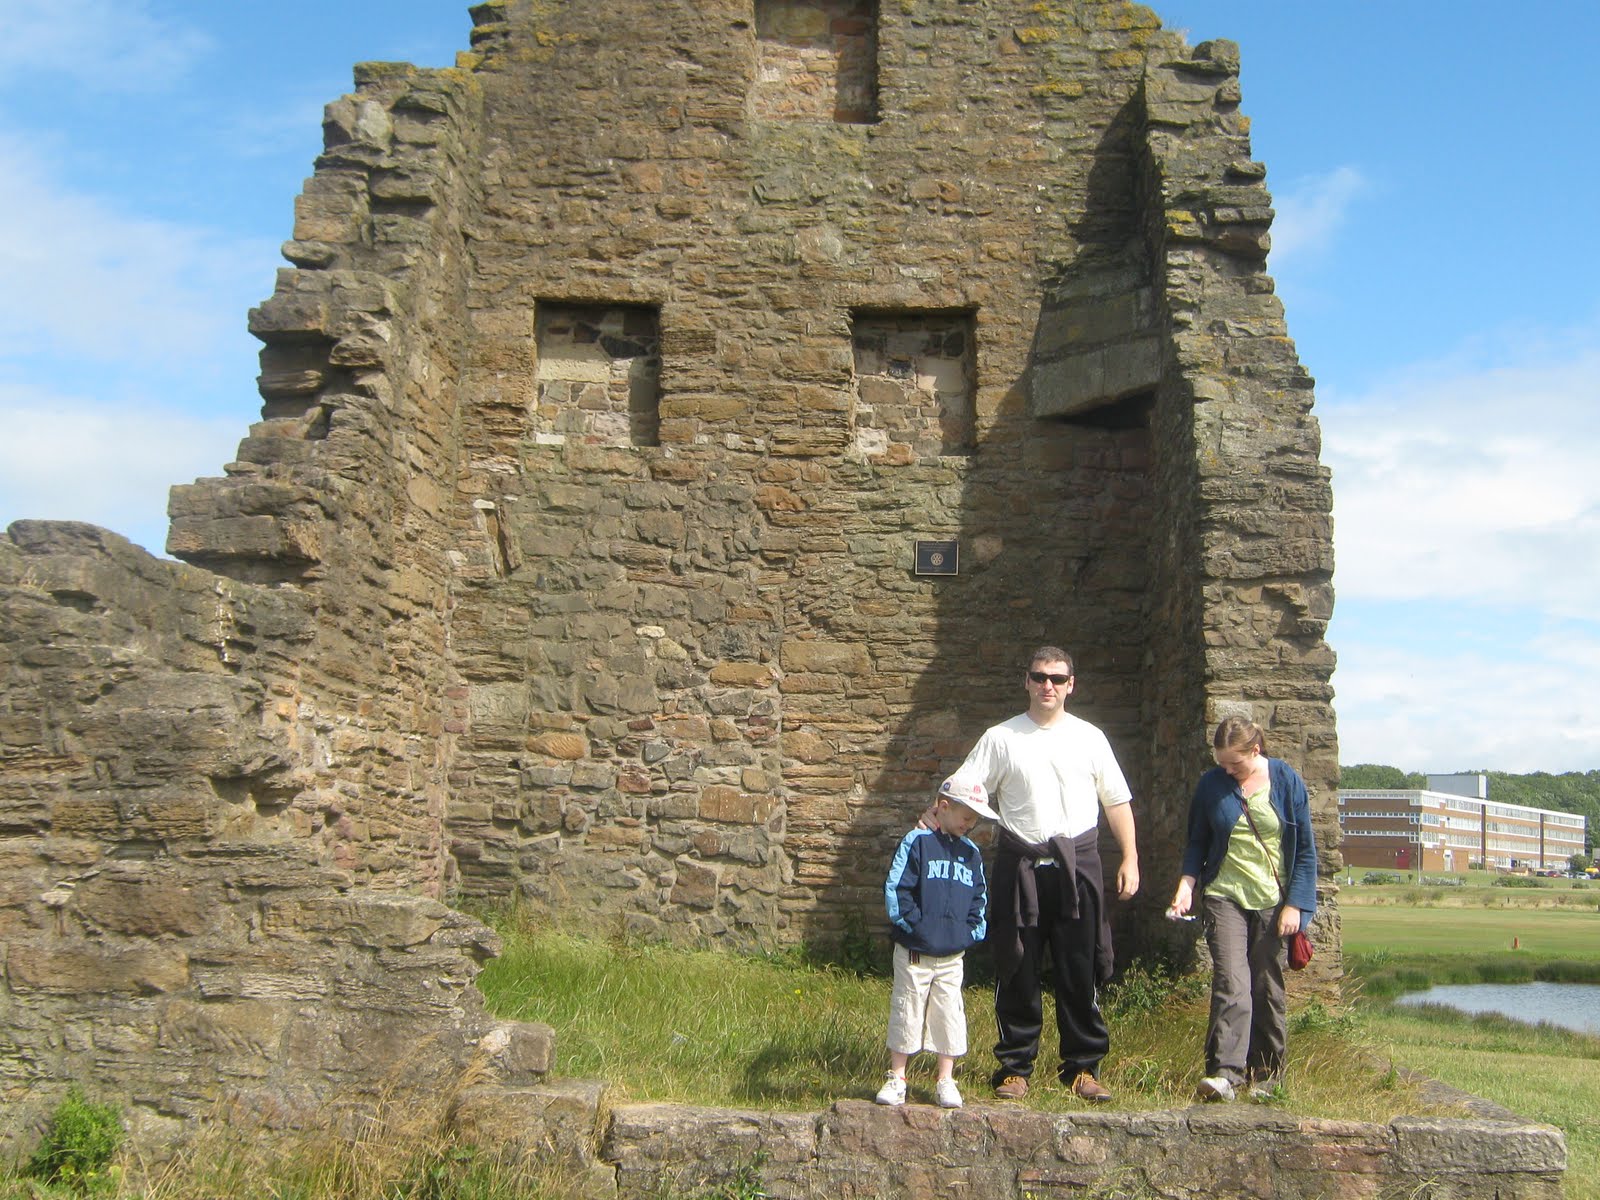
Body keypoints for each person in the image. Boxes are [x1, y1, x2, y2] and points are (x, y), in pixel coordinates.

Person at [954, 646, 1139, 1103]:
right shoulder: (1001, 738)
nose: (1048, 686)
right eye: (1039, 677)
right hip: (1020, 867)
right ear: (1027, 682)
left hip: (1079, 866)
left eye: (1057, 678)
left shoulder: (1090, 738)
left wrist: (1131, 857)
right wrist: (931, 829)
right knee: (1016, 964)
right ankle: (1014, 1068)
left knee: (1081, 967)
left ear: (1071, 683)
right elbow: (965, 790)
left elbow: (1116, 801)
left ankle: (1082, 1068)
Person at [1167, 716, 1318, 1102]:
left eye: (1235, 764)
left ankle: (1266, 1077)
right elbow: (1196, 842)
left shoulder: (1286, 782)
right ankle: (1225, 1075)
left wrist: (1296, 905)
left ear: (1256, 750)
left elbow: (1304, 852)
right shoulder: (1210, 785)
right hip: (1224, 895)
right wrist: (1187, 885)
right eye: (1222, 764)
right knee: (1231, 982)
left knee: (1266, 986)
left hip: (1273, 899)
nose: (1228, 771)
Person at [874, 774, 997, 1109]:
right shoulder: (917, 843)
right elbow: (898, 891)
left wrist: (968, 934)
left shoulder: (971, 855)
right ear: (943, 807)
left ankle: (945, 1078)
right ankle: (898, 1077)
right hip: (915, 951)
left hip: (951, 955)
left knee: (949, 1014)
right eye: (966, 816)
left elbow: (979, 899)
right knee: (907, 1009)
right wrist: (916, 928)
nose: (970, 824)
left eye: (975, 819)